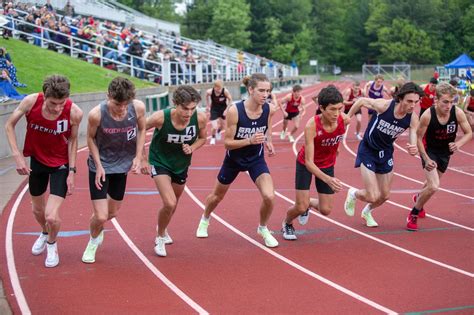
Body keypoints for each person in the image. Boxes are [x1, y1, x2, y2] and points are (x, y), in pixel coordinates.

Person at [5, 75, 83, 267]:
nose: (57, 108)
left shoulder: (74, 112)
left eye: (61, 103)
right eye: (52, 103)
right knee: (37, 210)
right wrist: (18, 156)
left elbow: (73, 141)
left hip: (60, 165)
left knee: (51, 215)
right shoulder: (31, 102)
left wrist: (72, 171)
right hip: (37, 162)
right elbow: (9, 125)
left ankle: (51, 244)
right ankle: (45, 232)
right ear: (44, 96)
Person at [195, 73, 279, 248]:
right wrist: (249, 140)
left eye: (268, 91)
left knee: (270, 196)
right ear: (250, 90)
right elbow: (227, 143)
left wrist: (269, 141)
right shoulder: (235, 110)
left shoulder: (269, 108)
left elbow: (268, 126)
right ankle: (205, 218)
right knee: (216, 197)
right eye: (261, 91)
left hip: (256, 159)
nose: (265, 95)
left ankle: (263, 228)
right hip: (234, 160)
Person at [81, 77, 146, 263]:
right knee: (101, 215)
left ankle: (97, 224)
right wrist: (99, 165)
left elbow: (142, 130)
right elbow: (91, 139)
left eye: (126, 104)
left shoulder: (138, 108)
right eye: (118, 104)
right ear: (108, 96)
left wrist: (138, 156)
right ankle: (93, 242)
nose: (122, 108)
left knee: (112, 213)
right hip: (100, 165)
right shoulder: (96, 114)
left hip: (122, 165)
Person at [344, 82, 422, 227]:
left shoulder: (412, 118)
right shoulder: (385, 106)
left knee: (385, 196)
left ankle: (367, 211)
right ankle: (353, 193)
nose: (413, 105)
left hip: (385, 153)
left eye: (416, 102)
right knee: (372, 195)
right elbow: (360, 101)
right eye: (409, 101)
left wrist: (413, 149)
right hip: (368, 149)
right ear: (400, 98)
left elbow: (413, 141)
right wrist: (348, 117)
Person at [143, 85, 207, 257]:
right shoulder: (160, 118)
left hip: (181, 164)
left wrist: (192, 148)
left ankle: (162, 227)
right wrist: (141, 157)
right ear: (175, 104)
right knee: (169, 202)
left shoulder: (200, 118)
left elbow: (203, 138)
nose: (188, 113)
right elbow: (140, 128)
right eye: (185, 109)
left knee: (173, 203)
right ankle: (160, 237)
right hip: (160, 161)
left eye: (192, 109)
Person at [282, 86, 350, 240]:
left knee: (326, 210)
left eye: (340, 108)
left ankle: (309, 205)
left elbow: (357, 107)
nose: (336, 113)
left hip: (327, 164)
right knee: (300, 206)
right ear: (321, 108)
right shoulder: (311, 126)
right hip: (306, 164)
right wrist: (329, 180)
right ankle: (287, 222)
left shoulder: (344, 119)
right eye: (332, 109)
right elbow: (309, 163)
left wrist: (336, 149)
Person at [408, 83, 472, 231]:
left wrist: (459, 144)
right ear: (436, 100)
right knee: (433, 186)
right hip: (429, 151)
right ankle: (414, 213)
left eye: (451, 101)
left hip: (445, 153)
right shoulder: (428, 115)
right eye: (445, 102)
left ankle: (419, 197)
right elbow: (418, 138)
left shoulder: (457, 113)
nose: (449, 105)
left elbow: (469, 133)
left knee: (430, 184)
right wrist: (425, 158)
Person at [206, 79, 232, 145]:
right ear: (214, 87)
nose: (219, 90)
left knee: (223, 126)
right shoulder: (210, 92)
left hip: (223, 109)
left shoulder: (225, 91)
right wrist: (207, 105)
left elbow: (230, 100)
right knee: (214, 126)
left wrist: (226, 110)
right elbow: (206, 96)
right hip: (214, 109)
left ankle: (218, 132)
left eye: (221, 88)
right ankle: (213, 138)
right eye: (218, 88)